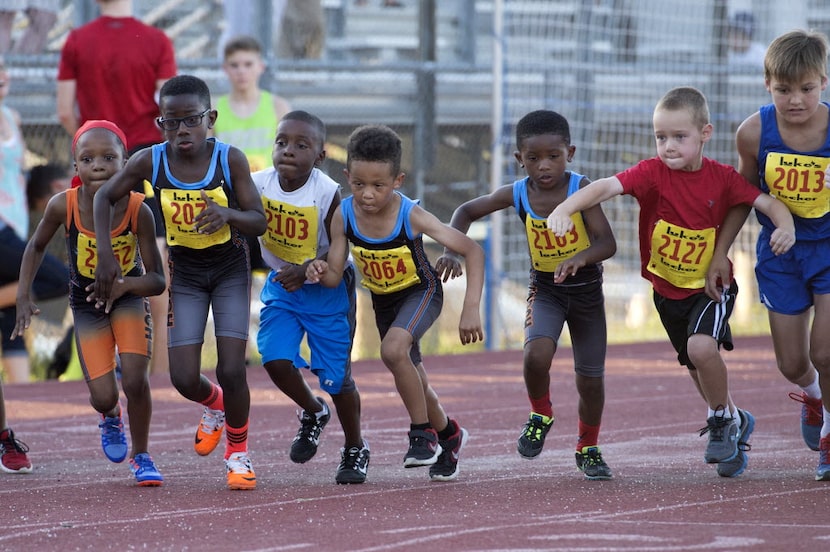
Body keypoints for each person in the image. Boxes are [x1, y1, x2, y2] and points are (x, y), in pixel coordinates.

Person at [547, 86, 796, 478]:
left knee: (701, 349)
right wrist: (565, 207)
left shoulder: (723, 178)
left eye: (679, 137)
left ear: (705, 134)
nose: (668, 146)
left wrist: (786, 226)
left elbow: (765, 202)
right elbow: (605, 187)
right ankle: (734, 418)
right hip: (666, 290)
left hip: (711, 288)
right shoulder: (651, 174)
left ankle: (721, 420)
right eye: (660, 137)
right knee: (696, 365)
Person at [91, 75, 267, 491]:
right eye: (172, 123)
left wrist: (229, 215)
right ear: (160, 125)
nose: (182, 131)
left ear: (211, 118)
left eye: (191, 121)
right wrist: (103, 254)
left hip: (228, 269)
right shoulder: (151, 161)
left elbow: (258, 221)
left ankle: (238, 454)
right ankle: (215, 407)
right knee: (184, 378)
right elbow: (103, 197)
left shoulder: (231, 160)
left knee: (230, 367)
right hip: (185, 273)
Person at [435, 110, 617, 480]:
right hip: (547, 291)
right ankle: (541, 413)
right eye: (533, 159)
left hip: (585, 297)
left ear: (571, 153)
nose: (544, 166)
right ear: (520, 160)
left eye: (554, 157)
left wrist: (578, 259)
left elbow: (607, 243)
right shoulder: (518, 193)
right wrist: (452, 250)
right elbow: (465, 211)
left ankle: (588, 446)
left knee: (591, 378)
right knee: (536, 356)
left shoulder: (581, 190)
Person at [306, 124, 484, 481]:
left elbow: (472, 249)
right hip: (385, 302)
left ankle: (423, 434)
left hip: (420, 292)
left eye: (378, 186)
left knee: (392, 350)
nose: (367, 194)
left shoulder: (410, 215)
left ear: (398, 180)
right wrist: (318, 268)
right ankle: (450, 435)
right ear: (347, 177)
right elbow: (336, 275)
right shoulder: (344, 214)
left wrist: (470, 309)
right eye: (358, 185)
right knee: (416, 379)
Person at [13, 120, 166, 486]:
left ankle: (142, 456)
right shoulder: (61, 205)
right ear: (76, 166)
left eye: (109, 157)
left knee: (135, 381)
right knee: (102, 396)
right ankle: (110, 416)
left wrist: (125, 285)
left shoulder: (138, 210)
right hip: (87, 307)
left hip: (128, 300)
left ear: (126, 162)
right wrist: (22, 296)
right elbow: (34, 246)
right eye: (88, 158)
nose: (98, 165)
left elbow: (158, 280)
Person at [57, 0, 177, 376]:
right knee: (153, 265)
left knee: (88, 264)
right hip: (137, 158)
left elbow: (64, 110)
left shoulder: (76, 40)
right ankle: (155, 375)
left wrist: (88, 151)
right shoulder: (157, 41)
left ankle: (101, 371)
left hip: (93, 156)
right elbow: (168, 109)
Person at [731, 30, 830, 481]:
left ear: (823, 82)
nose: (795, 100)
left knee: (825, 351)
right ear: (767, 84)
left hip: (828, 249)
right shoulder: (753, 132)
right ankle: (812, 396)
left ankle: (829, 436)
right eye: (783, 89)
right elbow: (741, 193)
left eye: (806, 89)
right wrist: (720, 251)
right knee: (793, 363)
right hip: (780, 253)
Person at [252, 110, 368, 484]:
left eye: (301, 145)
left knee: (337, 380)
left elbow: (339, 246)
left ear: (319, 155)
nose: (288, 150)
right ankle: (313, 410)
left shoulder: (327, 192)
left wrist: (307, 268)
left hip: (326, 291)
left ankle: (355, 446)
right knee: (274, 359)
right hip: (283, 286)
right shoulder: (257, 184)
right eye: (282, 142)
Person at [0, 55, 68, 383]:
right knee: (57, 277)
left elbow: (18, 171)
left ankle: (24, 394)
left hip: (12, 222)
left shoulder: (12, 117)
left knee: (10, 314)